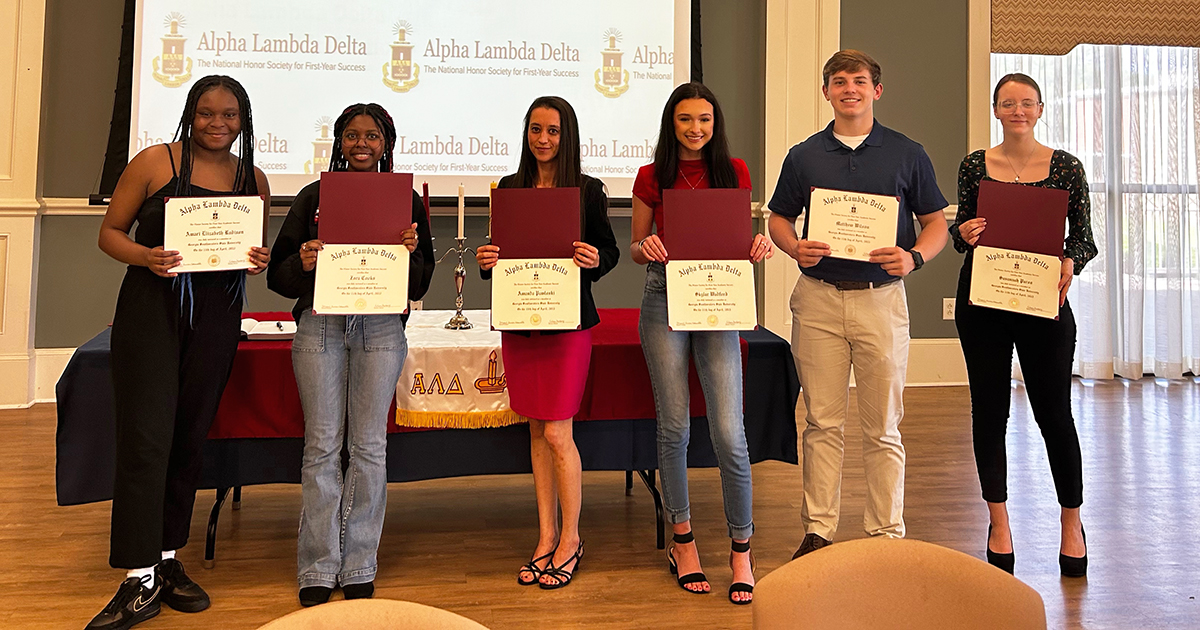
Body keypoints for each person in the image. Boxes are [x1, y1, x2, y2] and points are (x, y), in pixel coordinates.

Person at [91, 75, 271, 630]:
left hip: (217, 317)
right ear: (190, 114)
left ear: (243, 120)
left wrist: (257, 260)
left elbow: (249, 250)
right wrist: (145, 257)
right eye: (206, 112)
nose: (218, 123)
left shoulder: (253, 178)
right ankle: (137, 576)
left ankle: (168, 559)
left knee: (189, 437)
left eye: (230, 115)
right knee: (146, 439)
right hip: (152, 312)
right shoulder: (154, 162)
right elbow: (109, 233)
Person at [767, 50, 949, 557]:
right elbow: (778, 218)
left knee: (883, 426)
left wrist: (914, 257)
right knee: (821, 422)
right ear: (826, 91)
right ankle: (818, 529)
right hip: (818, 301)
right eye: (840, 81)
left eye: (860, 81)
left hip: (881, 301)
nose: (850, 89)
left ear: (876, 91)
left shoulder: (907, 153)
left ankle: (886, 533)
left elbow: (936, 222)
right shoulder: (804, 155)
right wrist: (793, 246)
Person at [267, 103, 435, 606]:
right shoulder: (313, 196)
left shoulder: (405, 200)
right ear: (339, 141)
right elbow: (279, 276)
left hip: (381, 326)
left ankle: (359, 561)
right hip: (321, 324)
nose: (362, 144)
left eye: (373, 136)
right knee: (321, 446)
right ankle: (318, 566)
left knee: (369, 447)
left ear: (386, 144)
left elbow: (420, 283)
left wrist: (410, 254)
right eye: (352, 135)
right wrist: (303, 261)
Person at [630, 82, 772, 604]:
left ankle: (742, 549)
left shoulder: (734, 171)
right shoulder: (651, 175)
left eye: (704, 119)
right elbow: (636, 249)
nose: (695, 129)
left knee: (730, 433)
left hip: (719, 296)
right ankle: (683, 540)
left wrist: (757, 245)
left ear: (716, 123)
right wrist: (647, 246)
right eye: (685, 119)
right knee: (674, 427)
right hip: (664, 296)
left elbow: (737, 239)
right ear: (672, 124)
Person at [950, 73, 1095, 577]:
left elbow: (1085, 238)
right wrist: (964, 231)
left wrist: (1071, 261)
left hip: (1043, 301)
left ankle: (1072, 522)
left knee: (1054, 414)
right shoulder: (974, 165)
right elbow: (960, 232)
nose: (1018, 110)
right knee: (989, 412)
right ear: (996, 109)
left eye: (1026, 103)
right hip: (983, 302)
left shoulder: (1067, 167)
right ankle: (999, 522)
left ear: (1040, 109)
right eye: (1008, 103)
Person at [475, 96, 619, 590]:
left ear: (567, 135)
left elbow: (609, 253)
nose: (542, 139)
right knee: (536, 430)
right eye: (535, 129)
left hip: (568, 324)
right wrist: (487, 260)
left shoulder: (588, 190)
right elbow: (499, 255)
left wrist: (593, 257)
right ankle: (546, 536)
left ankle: (572, 539)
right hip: (520, 323)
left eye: (553, 131)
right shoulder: (509, 188)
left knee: (558, 432)